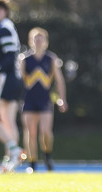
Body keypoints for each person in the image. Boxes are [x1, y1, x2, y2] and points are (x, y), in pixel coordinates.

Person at [19, 27, 68, 172]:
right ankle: (32, 163)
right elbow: (19, 80)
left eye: (41, 38)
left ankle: (47, 155)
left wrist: (62, 98)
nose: (38, 41)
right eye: (35, 38)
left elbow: (59, 80)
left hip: (45, 100)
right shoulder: (25, 59)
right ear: (30, 41)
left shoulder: (51, 58)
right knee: (31, 132)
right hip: (28, 100)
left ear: (46, 41)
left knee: (46, 131)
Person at [0, 0, 25, 173]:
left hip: (6, 78)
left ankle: (14, 151)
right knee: (8, 121)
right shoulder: (5, 27)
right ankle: (10, 163)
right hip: (14, 79)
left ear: (5, 11)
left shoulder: (4, 29)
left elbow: (9, 57)